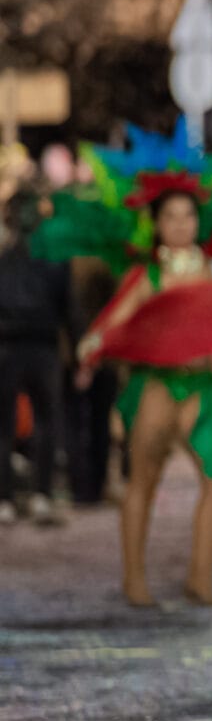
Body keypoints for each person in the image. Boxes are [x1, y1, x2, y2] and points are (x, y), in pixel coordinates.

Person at [77, 187, 212, 606]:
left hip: (202, 386)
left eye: (187, 216)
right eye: (171, 216)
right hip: (157, 384)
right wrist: (93, 345)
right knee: (144, 480)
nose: (180, 224)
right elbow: (117, 323)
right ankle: (134, 580)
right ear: (157, 224)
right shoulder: (147, 275)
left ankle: (200, 578)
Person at [0, 186, 72, 526]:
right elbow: (68, 307)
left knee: (25, 424)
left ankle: (20, 497)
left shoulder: (14, 257)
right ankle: (27, 495)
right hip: (27, 346)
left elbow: (68, 306)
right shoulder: (47, 259)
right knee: (35, 423)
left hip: (22, 346)